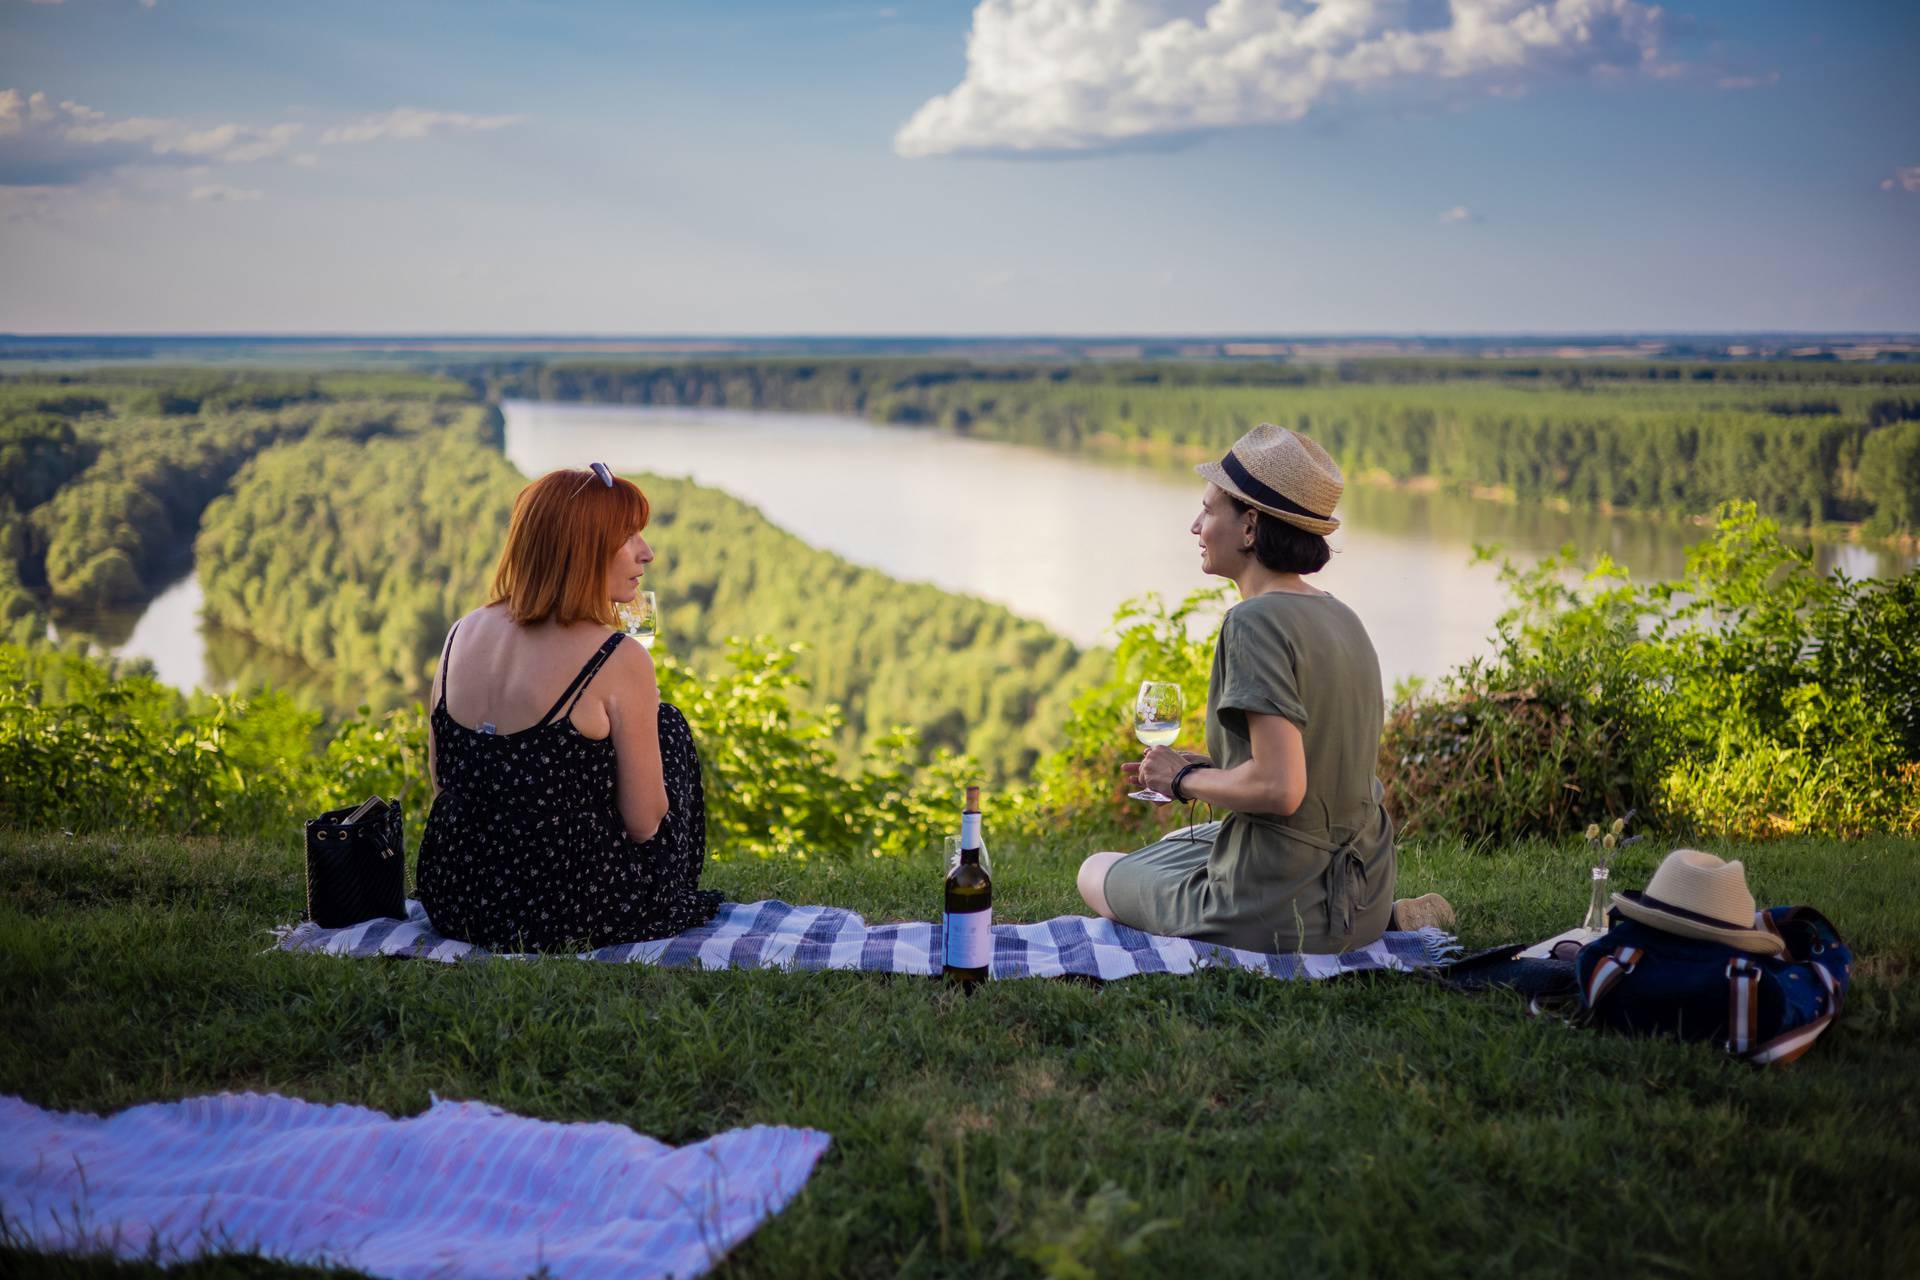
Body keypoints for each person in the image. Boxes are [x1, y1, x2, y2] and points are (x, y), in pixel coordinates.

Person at [1077, 423, 1450, 954]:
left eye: (1207, 511)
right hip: (1363, 886)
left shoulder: (1252, 622)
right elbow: (1310, 767)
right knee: (1170, 846)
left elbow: (1281, 788)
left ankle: (1298, 924)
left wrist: (1183, 778)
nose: (1194, 526)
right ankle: (1385, 920)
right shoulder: (1340, 615)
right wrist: (1204, 769)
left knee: (1098, 870)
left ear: (1250, 527)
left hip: (1281, 907)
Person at [415, 463, 722, 950]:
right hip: (565, 910)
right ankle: (668, 894)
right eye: (628, 537)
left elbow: (443, 782)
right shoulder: (618, 658)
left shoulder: (460, 633)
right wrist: (642, 711)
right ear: (582, 548)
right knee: (667, 726)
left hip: (456, 896)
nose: (647, 552)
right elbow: (645, 826)